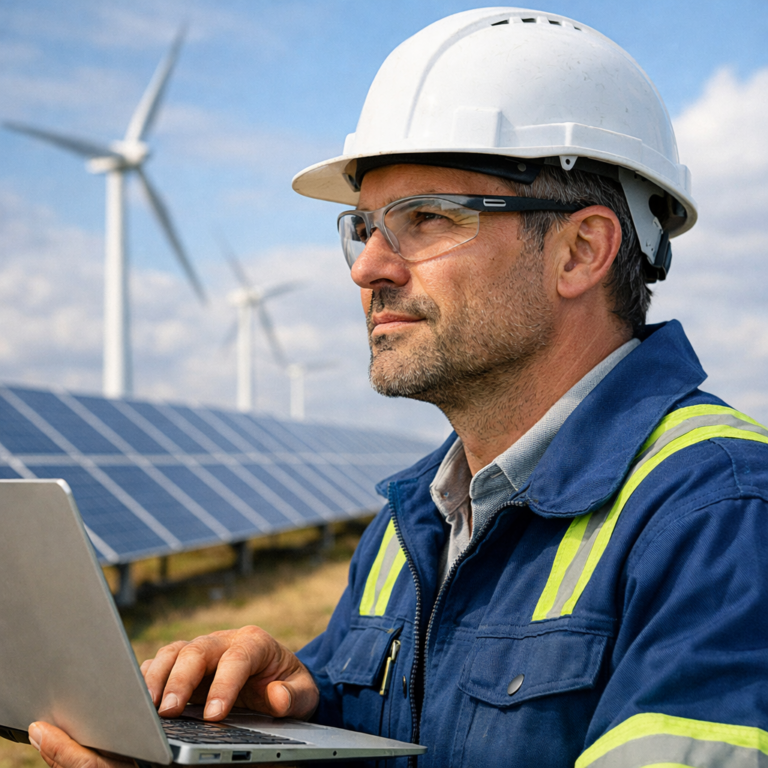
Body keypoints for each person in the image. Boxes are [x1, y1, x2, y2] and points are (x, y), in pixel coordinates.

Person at [30, 8, 768, 768]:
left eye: (426, 218)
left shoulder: (723, 516)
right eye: (365, 226)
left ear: (580, 252)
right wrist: (298, 703)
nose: (368, 267)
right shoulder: (414, 519)